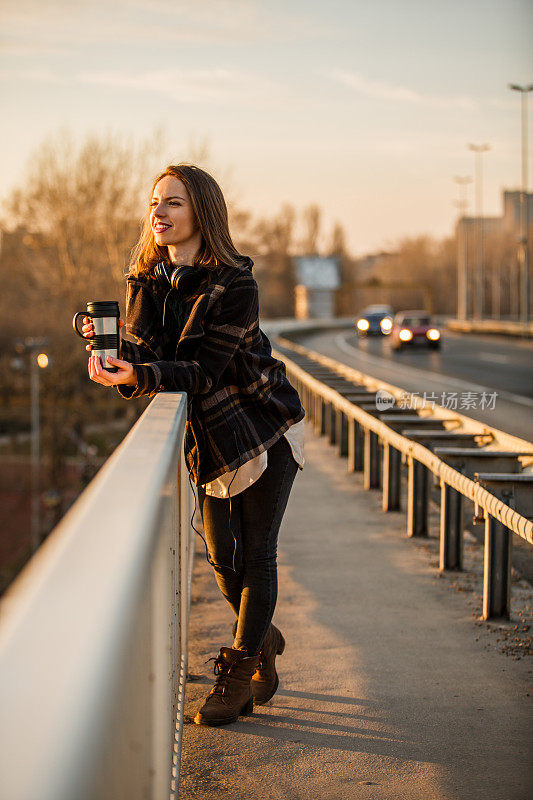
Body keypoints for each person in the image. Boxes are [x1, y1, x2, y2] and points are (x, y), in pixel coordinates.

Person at [82, 164, 305, 727]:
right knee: (220, 556)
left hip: (258, 430)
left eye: (173, 203)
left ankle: (239, 675)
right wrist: (110, 352)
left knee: (256, 556)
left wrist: (139, 374)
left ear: (202, 212)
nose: (158, 213)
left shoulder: (235, 284)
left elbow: (203, 372)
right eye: (154, 202)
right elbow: (148, 357)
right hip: (207, 441)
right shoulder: (147, 283)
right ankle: (260, 637)